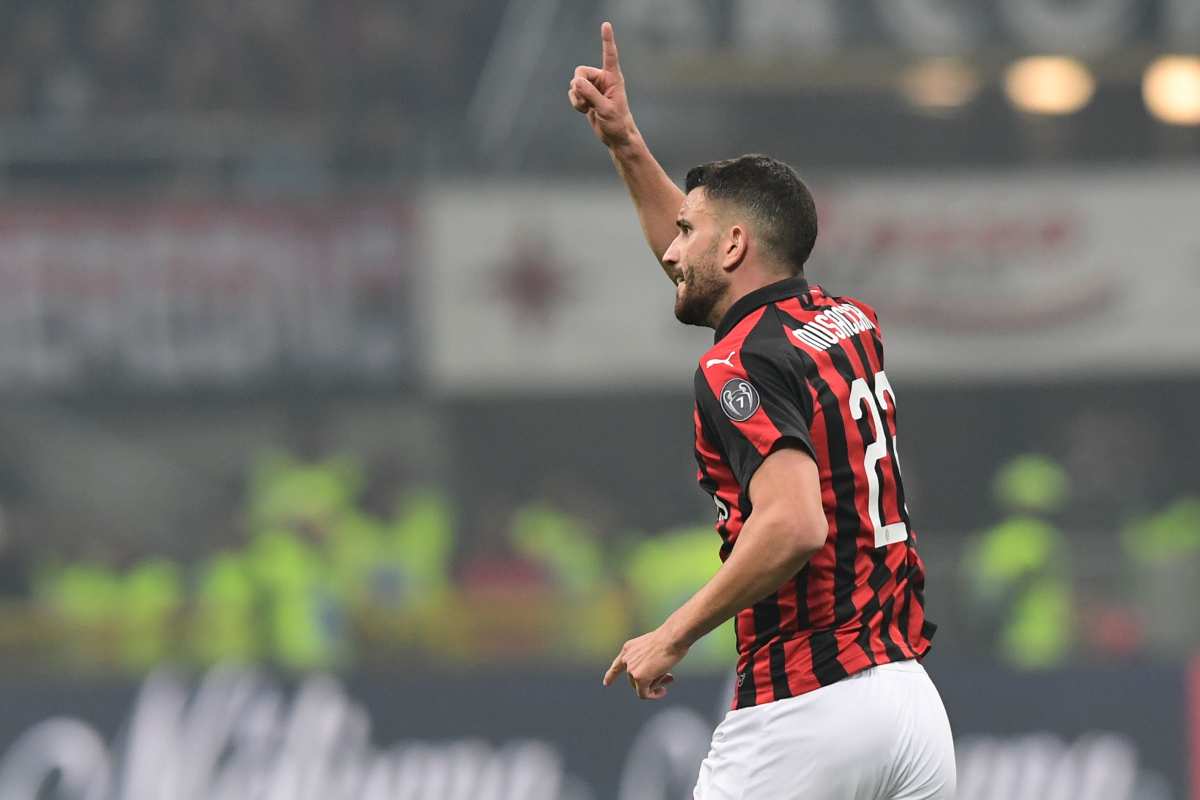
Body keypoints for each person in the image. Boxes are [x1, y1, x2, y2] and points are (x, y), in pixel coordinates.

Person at [569, 23, 955, 799]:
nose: (671, 251)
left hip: (809, 703)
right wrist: (626, 143)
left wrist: (671, 635)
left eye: (687, 232)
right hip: (911, 705)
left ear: (736, 245)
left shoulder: (737, 363)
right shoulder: (846, 321)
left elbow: (795, 524)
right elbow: (716, 280)